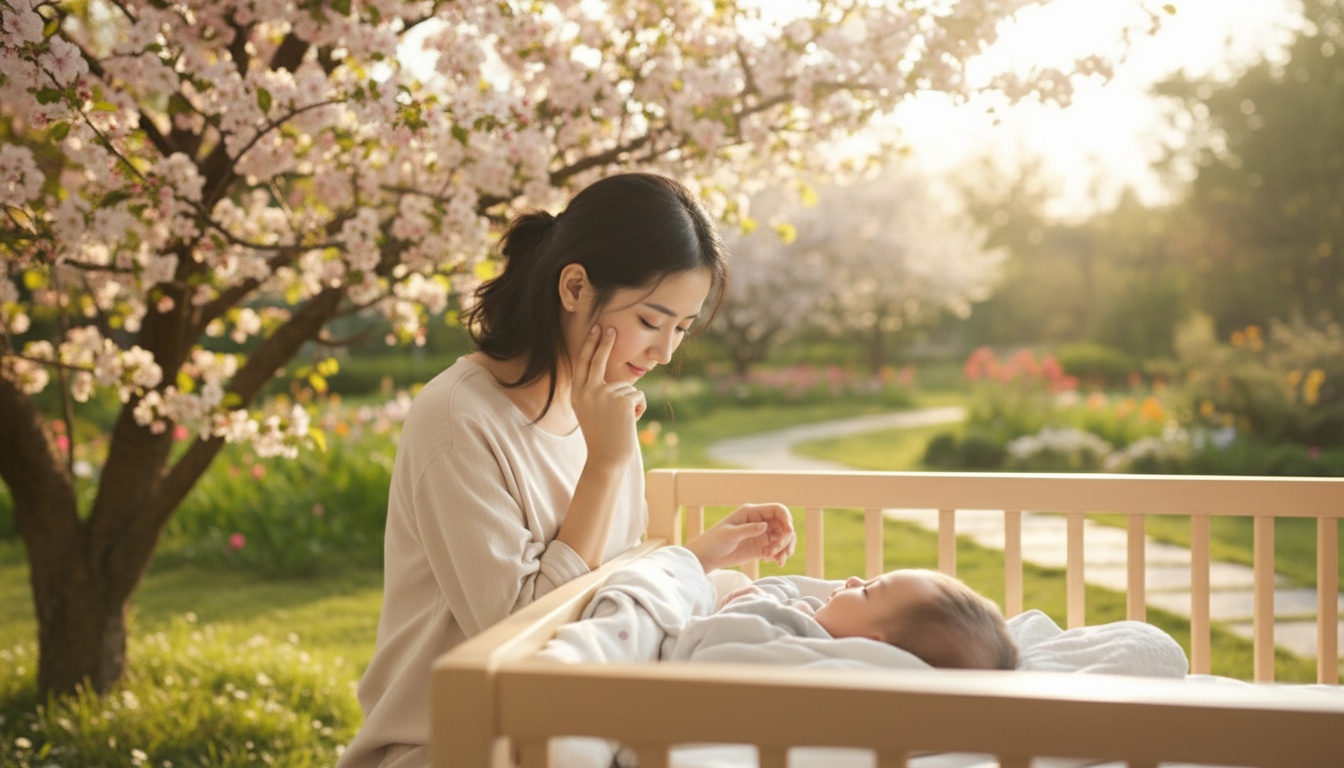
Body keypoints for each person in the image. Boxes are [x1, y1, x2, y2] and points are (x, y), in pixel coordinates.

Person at [338, 172, 797, 768]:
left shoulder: (601, 403)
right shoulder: (458, 418)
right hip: (455, 742)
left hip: (567, 727)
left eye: (681, 329)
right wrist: (604, 464)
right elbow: (521, 638)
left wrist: (697, 560)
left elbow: (605, 597)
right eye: (653, 321)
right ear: (575, 287)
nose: (664, 353)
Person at [716, 568, 1018, 670]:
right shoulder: (815, 627)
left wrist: (754, 600)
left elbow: (729, 636)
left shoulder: (813, 652)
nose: (852, 580)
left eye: (867, 592)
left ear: (872, 644)